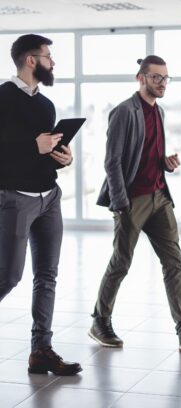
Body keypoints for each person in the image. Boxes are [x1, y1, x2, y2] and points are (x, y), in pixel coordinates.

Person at [90, 55, 181, 352]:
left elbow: (147, 154)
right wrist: (121, 203)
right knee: (121, 262)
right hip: (131, 200)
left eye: (165, 78)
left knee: (174, 263)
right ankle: (100, 320)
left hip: (159, 197)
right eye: (156, 78)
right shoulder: (124, 112)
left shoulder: (159, 112)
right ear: (141, 78)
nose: (162, 83)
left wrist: (165, 163)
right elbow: (112, 162)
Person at [0, 34, 82, 375]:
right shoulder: (2, 97)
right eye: (48, 56)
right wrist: (32, 147)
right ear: (31, 60)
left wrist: (61, 158)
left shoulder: (46, 105)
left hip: (49, 197)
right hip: (15, 199)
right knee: (9, 277)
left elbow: (43, 155)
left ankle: (41, 350)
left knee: (47, 276)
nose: (53, 62)